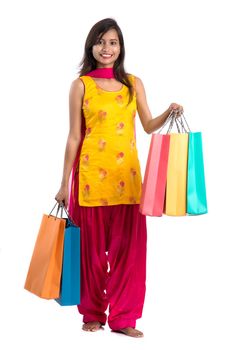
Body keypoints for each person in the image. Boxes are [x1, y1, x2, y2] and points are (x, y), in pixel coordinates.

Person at [55, 17, 183, 338]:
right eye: (101, 42)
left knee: (129, 253)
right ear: (91, 46)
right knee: (93, 255)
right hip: (89, 183)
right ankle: (93, 313)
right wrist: (62, 184)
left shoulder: (133, 84)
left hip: (128, 183)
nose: (107, 48)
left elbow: (149, 125)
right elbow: (73, 137)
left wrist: (168, 112)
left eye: (113, 42)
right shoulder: (81, 85)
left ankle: (124, 317)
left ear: (120, 47)